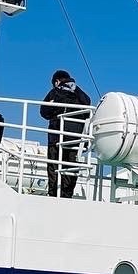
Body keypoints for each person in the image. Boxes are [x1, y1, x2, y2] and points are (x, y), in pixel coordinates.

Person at [40, 69, 91, 198]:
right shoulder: (80, 94)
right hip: (76, 139)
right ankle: (67, 195)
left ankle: (54, 194)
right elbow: (88, 107)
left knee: (54, 166)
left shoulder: (55, 92)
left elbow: (44, 111)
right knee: (71, 167)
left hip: (57, 137)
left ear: (57, 81)